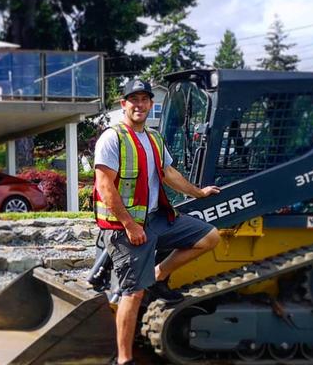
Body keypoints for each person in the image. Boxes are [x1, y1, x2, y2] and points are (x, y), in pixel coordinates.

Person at [93, 79, 220, 365]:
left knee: (209, 237)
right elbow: (105, 186)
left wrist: (199, 192)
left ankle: (158, 275)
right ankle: (124, 360)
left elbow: (168, 173)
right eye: (133, 100)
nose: (139, 105)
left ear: (151, 104)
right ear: (123, 104)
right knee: (132, 292)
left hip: (157, 219)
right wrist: (129, 225)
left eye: (144, 99)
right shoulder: (112, 138)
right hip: (125, 228)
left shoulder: (153, 138)